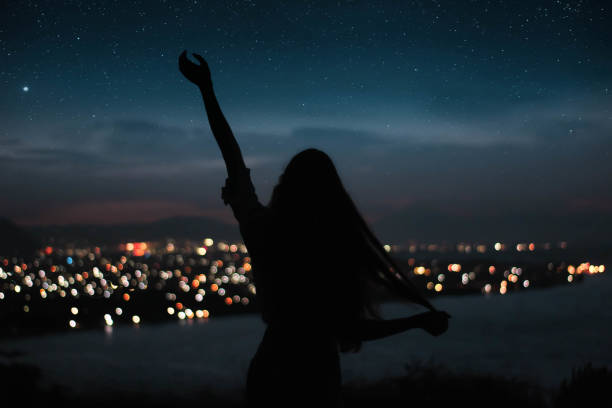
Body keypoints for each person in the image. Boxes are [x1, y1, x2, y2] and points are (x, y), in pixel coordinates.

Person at [178, 50, 450, 407]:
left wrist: (206, 91)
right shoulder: (332, 249)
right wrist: (416, 322)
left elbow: (233, 156)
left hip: (271, 370)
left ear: (285, 186)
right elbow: (349, 329)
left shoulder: (264, 230)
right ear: (332, 194)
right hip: (316, 377)